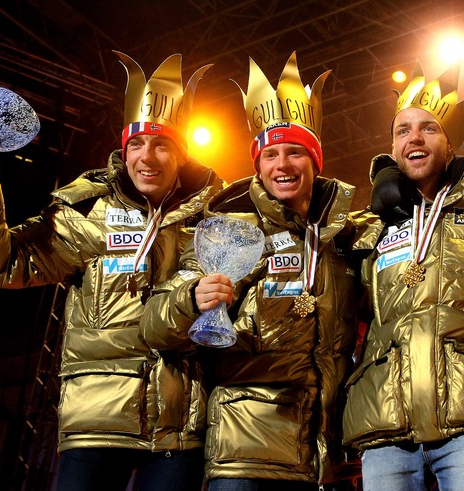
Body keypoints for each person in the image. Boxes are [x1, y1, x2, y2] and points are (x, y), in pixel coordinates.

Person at [0, 51, 223, 490]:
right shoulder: (87, 214)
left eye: (162, 144)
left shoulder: (210, 224)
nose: (147, 156)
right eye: (136, 144)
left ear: (181, 154)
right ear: (123, 151)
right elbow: (0, 264)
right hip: (95, 422)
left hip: (176, 430)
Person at [140, 51, 379, 491]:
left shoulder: (344, 239)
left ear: (315, 161)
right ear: (258, 164)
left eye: (295, 153)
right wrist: (191, 299)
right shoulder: (230, 231)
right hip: (244, 451)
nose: (282, 165)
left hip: (322, 451)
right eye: (270, 155)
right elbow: (155, 327)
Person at [341, 60, 464, 491]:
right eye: (403, 130)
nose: (415, 138)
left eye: (429, 128)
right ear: (392, 147)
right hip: (385, 419)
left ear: (450, 143)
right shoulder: (368, 226)